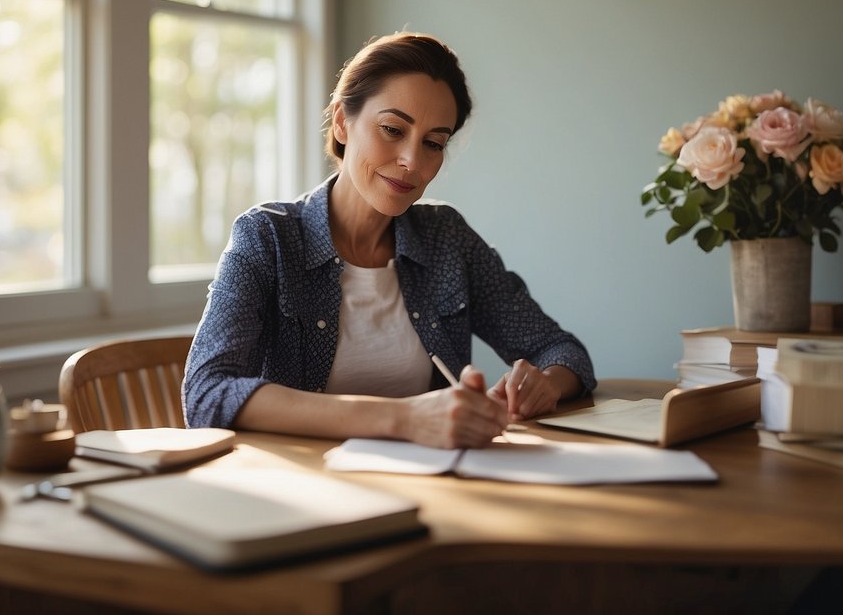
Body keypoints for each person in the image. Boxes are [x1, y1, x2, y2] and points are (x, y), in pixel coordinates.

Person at [182, 32, 595, 449]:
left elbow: (563, 351)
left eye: (434, 143)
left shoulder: (446, 239)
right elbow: (207, 393)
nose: (412, 162)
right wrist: (403, 417)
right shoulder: (267, 238)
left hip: (432, 484)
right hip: (305, 491)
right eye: (392, 129)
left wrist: (544, 384)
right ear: (342, 122)